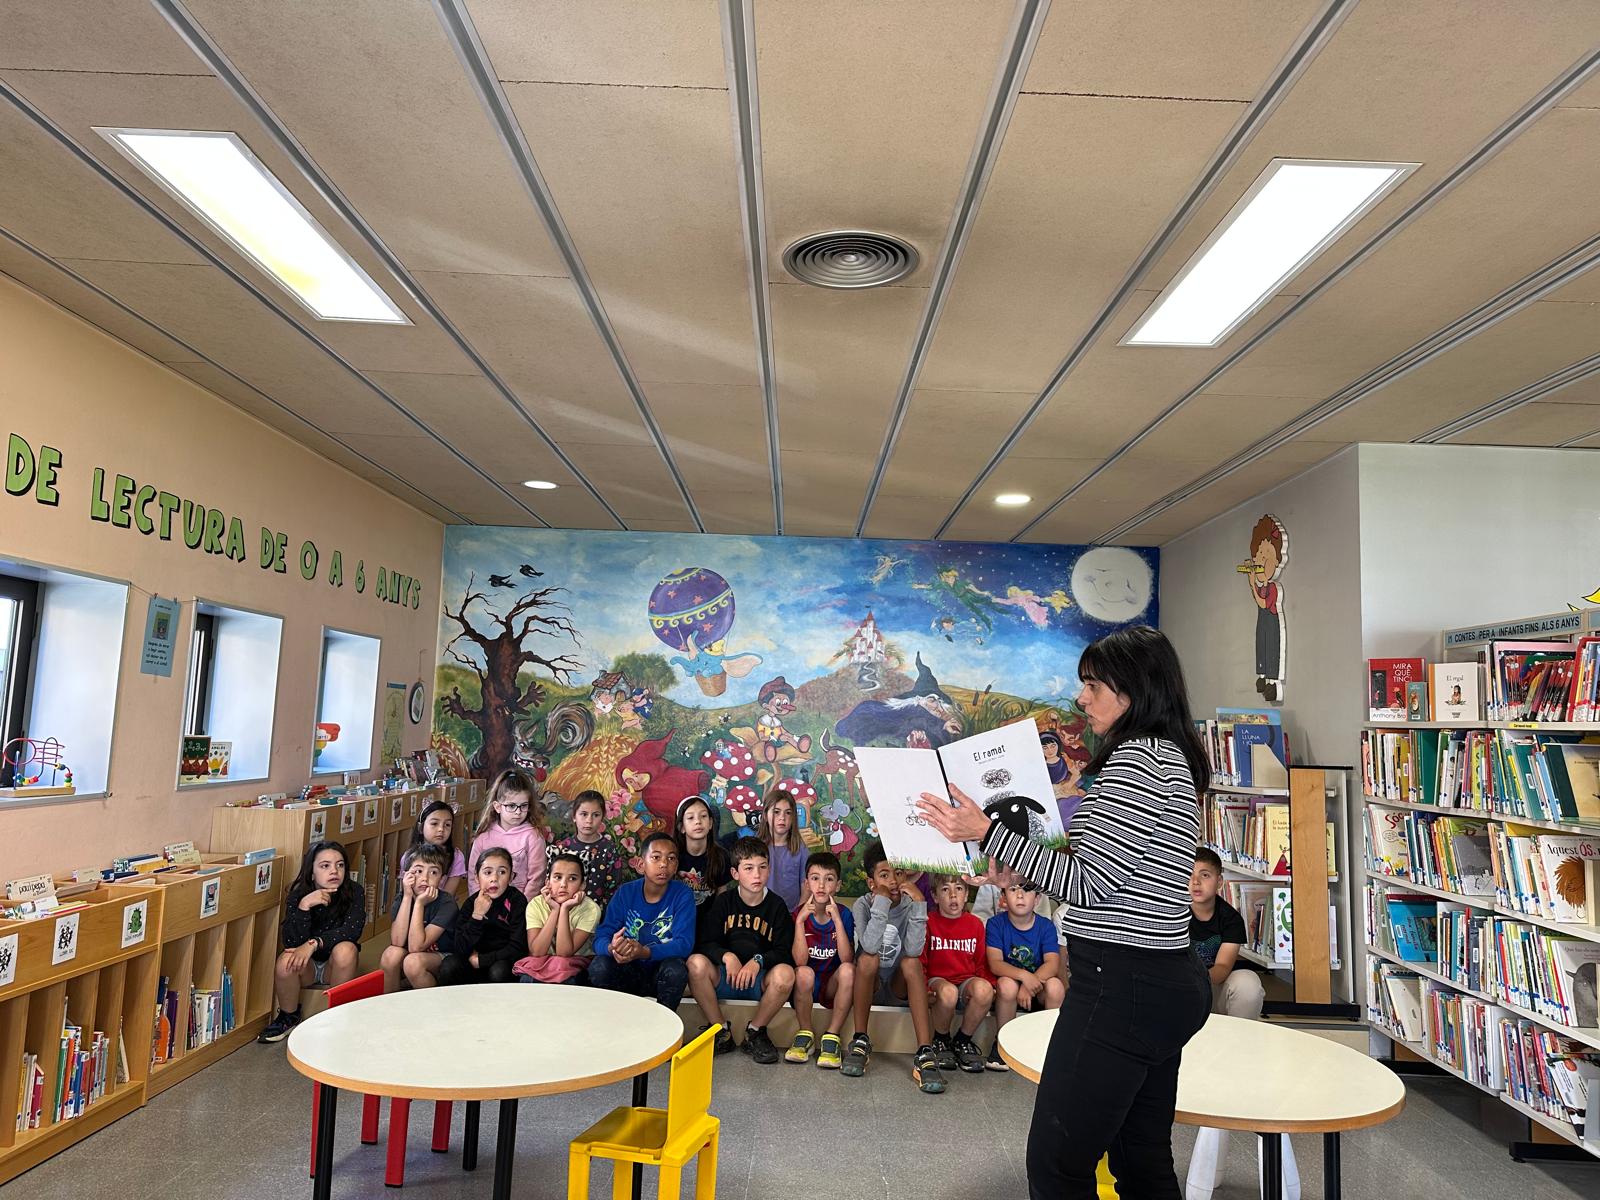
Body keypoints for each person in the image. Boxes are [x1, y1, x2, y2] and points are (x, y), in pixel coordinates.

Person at [916, 625, 1213, 1199]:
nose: (1081, 698)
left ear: (1133, 691)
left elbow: (1090, 882)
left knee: (1057, 1166)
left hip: (1122, 985)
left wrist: (986, 831)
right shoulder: (1170, 756)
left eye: (1094, 686)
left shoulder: (1136, 761)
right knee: (1142, 1160)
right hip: (1163, 976)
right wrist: (1015, 870)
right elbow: (1117, 873)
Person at [841, 841, 944, 1094]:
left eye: (898, 873)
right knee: (867, 958)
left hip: (899, 987)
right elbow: (870, 945)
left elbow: (913, 950)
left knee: (911, 962)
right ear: (871, 883)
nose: (893, 881)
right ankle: (860, 1040)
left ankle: (924, 1051)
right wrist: (881, 903)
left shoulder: (910, 905)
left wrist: (919, 904)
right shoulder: (863, 905)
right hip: (872, 986)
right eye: (884, 875)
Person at [687, 838, 796, 1062]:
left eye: (762, 867)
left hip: (760, 980)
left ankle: (755, 1032)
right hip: (725, 976)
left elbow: (784, 951)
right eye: (748, 868)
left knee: (786, 974)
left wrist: (758, 961)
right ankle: (720, 1031)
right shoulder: (724, 902)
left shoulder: (777, 906)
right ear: (735, 873)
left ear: (769, 869)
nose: (757, 875)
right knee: (695, 963)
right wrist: (727, 956)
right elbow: (705, 943)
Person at [259, 841, 366, 1042]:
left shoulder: (355, 891)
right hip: (306, 968)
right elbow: (291, 941)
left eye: (340, 865)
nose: (334, 871)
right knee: (285, 960)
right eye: (325, 866)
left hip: (336, 965)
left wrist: (314, 943)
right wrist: (304, 905)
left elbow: (351, 932)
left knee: (346, 949)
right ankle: (289, 1017)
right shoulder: (298, 894)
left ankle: (337, 1015)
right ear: (312, 873)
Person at [588, 832, 695, 1008]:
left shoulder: (682, 894)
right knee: (600, 965)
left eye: (671, 858)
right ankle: (611, 1018)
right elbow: (601, 937)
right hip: (628, 968)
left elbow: (684, 944)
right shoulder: (625, 892)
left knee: (676, 969)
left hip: (660, 971)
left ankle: (664, 1023)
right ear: (640, 864)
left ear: (676, 866)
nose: (663, 864)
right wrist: (612, 948)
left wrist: (645, 952)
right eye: (656, 857)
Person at [986, 880, 1065, 1070]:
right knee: (1006, 985)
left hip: (1039, 988)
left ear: (1037, 899)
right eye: (1013, 890)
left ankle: (1048, 1047)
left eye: (1027, 890)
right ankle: (1002, 1045)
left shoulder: (1045, 926)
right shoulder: (996, 924)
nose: (1020, 895)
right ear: (1004, 898)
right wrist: (1024, 977)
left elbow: (1052, 964)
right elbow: (995, 964)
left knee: (1056, 987)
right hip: (1011, 986)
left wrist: (1030, 985)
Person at [787, 852, 855, 1068]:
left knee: (849, 970)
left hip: (832, 986)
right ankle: (805, 1033)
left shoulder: (844, 914)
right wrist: (800, 923)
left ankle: (832, 1036)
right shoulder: (798, 915)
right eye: (815, 878)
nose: (822, 885)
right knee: (803, 972)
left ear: (838, 885)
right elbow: (799, 961)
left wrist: (837, 921)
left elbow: (846, 958)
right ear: (807, 883)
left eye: (829, 879)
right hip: (806, 985)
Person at [923, 874, 995, 1075]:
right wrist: (925, 988)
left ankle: (962, 1040)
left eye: (959, 889)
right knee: (948, 992)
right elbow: (921, 960)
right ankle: (941, 1039)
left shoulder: (975, 924)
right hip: (938, 981)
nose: (953, 895)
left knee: (984, 989)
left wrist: (989, 986)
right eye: (945, 889)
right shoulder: (929, 922)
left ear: (966, 895)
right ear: (935, 896)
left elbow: (981, 962)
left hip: (965, 981)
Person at [1190, 848, 1264, 1019]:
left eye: (1205, 875)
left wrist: (1195, 980)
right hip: (1178, 989)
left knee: (1248, 983)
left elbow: (1223, 967)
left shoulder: (1231, 919)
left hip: (1213, 986)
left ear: (1219, 882)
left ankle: (1238, 1035)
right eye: (1189, 874)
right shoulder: (1172, 913)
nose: (1195, 882)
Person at [437, 847, 528, 985]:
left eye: (502, 872)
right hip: (473, 963)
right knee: (449, 965)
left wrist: (483, 960)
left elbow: (518, 947)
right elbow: (459, 947)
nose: (494, 879)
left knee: (499, 971)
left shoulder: (517, 901)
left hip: (502, 962)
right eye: (488, 872)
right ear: (476, 877)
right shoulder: (470, 903)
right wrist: (477, 915)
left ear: (511, 877)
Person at [380, 844, 459, 992]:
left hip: (442, 956)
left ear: (442, 879)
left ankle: (430, 1003)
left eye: (433, 872)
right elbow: (397, 941)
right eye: (418, 871)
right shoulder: (402, 898)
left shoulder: (447, 903)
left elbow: (416, 947)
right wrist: (407, 896)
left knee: (413, 963)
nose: (425, 878)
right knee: (390, 955)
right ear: (407, 875)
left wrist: (419, 904)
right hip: (412, 953)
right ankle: (391, 1002)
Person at [515, 852, 602, 984]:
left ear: (582, 885)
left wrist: (565, 909)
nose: (563, 884)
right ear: (547, 882)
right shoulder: (535, 904)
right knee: (527, 979)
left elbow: (564, 953)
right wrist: (555, 910)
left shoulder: (591, 909)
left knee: (567, 977)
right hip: (542, 962)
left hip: (574, 962)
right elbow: (537, 952)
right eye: (557, 877)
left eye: (572, 879)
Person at [469, 768, 549, 900]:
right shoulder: (483, 837)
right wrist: (479, 902)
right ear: (497, 807)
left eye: (523, 806)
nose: (518, 812)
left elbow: (536, 878)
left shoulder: (533, 836)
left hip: (519, 903)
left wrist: (522, 905)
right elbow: (473, 876)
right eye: (511, 806)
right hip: (486, 902)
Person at [545, 790, 628, 907]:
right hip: (566, 911)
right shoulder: (563, 847)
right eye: (584, 814)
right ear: (574, 816)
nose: (589, 820)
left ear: (602, 817)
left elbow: (613, 888)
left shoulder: (609, 849)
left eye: (596, 815)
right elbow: (553, 883)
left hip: (597, 912)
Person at [758, 786, 809, 908]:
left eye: (788, 813)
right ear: (765, 815)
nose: (782, 817)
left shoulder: (801, 850)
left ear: (793, 817)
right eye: (776, 812)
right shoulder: (756, 848)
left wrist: (798, 914)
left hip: (791, 913)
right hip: (760, 913)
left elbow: (806, 887)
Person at [674, 794, 730, 905]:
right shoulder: (673, 856)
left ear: (710, 823)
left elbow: (721, 895)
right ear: (681, 827)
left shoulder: (721, 856)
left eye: (703, 816)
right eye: (691, 818)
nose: (698, 821)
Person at [410, 799, 469, 902]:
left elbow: (447, 897)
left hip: (440, 907)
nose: (441, 829)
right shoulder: (409, 856)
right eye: (434, 823)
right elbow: (406, 892)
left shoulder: (456, 857)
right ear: (420, 827)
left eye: (447, 825)